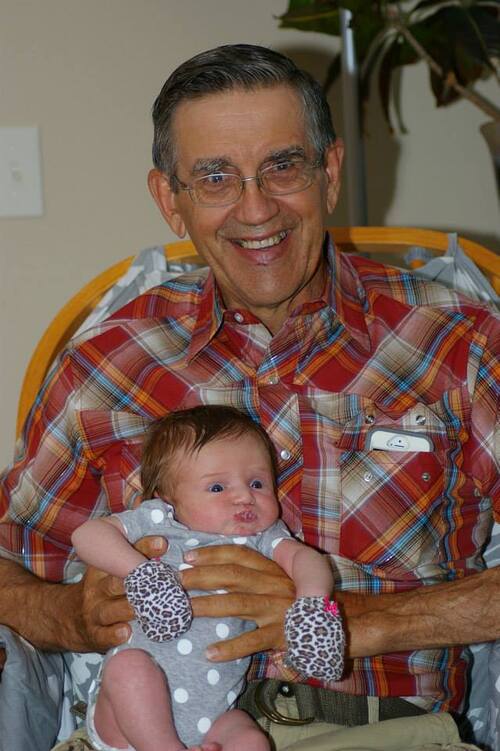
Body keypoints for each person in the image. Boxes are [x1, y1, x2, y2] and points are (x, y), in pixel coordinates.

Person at [0, 43, 497, 751]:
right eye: (215, 178)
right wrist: (69, 617)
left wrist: (354, 621)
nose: (256, 209)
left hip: (380, 732)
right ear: (170, 201)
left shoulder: (460, 343)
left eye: (283, 167)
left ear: (329, 174)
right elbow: (10, 557)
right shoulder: (107, 362)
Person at [71, 405, 344, 751]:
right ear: (167, 498)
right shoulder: (159, 520)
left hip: (212, 719)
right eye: (217, 487)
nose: (244, 496)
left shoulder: (263, 536)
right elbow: (87, 535)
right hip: (125, 722)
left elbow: (306, 558)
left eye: (257, 483)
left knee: (250, 740)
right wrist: (140, 570)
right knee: (129, 669)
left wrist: (312, 603)